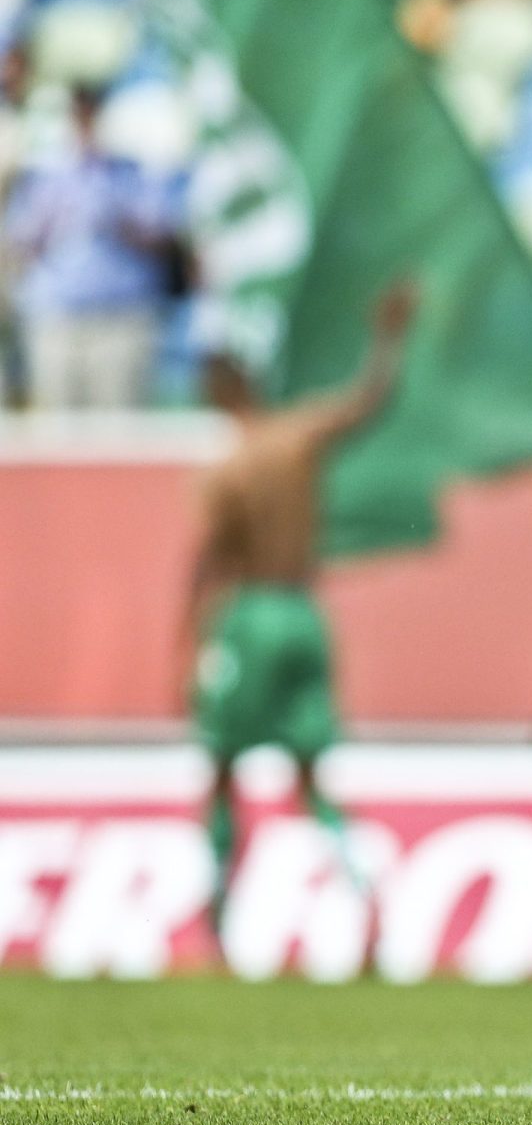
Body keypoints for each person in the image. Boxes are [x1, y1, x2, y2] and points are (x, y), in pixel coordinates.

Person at [183, 278, 416, 939]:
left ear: (220, 394)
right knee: (313, 772)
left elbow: (209, 566)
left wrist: (190, 645)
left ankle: (218, 909)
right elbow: (369, 402)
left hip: (250, 614)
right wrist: (389, 337)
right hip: (306, 614)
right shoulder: (298, 438)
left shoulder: (227, 470)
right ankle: (360, 889)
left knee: (224, 764)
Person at [4, 86, 178, 409]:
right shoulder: (43, 175)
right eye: (78, 114)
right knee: (57, 441)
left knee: (118, 439)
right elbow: (21, 242)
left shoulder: (136, 172)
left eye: (92, 113)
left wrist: (111, 208)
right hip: (57, 320)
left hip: (121, 321)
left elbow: (162, 237)